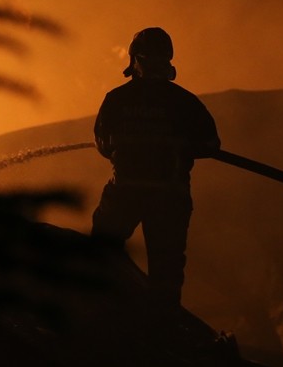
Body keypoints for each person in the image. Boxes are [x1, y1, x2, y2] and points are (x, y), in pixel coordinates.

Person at [90, 27, 221, 306]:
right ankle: (162, 321)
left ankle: (109, 309)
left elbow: (102, 144)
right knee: (166, 273)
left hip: (125, 193)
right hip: (170, 198)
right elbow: (211, 144)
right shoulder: (185, 102)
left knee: (103, 252)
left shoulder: (116, 100)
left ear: (134, 61)